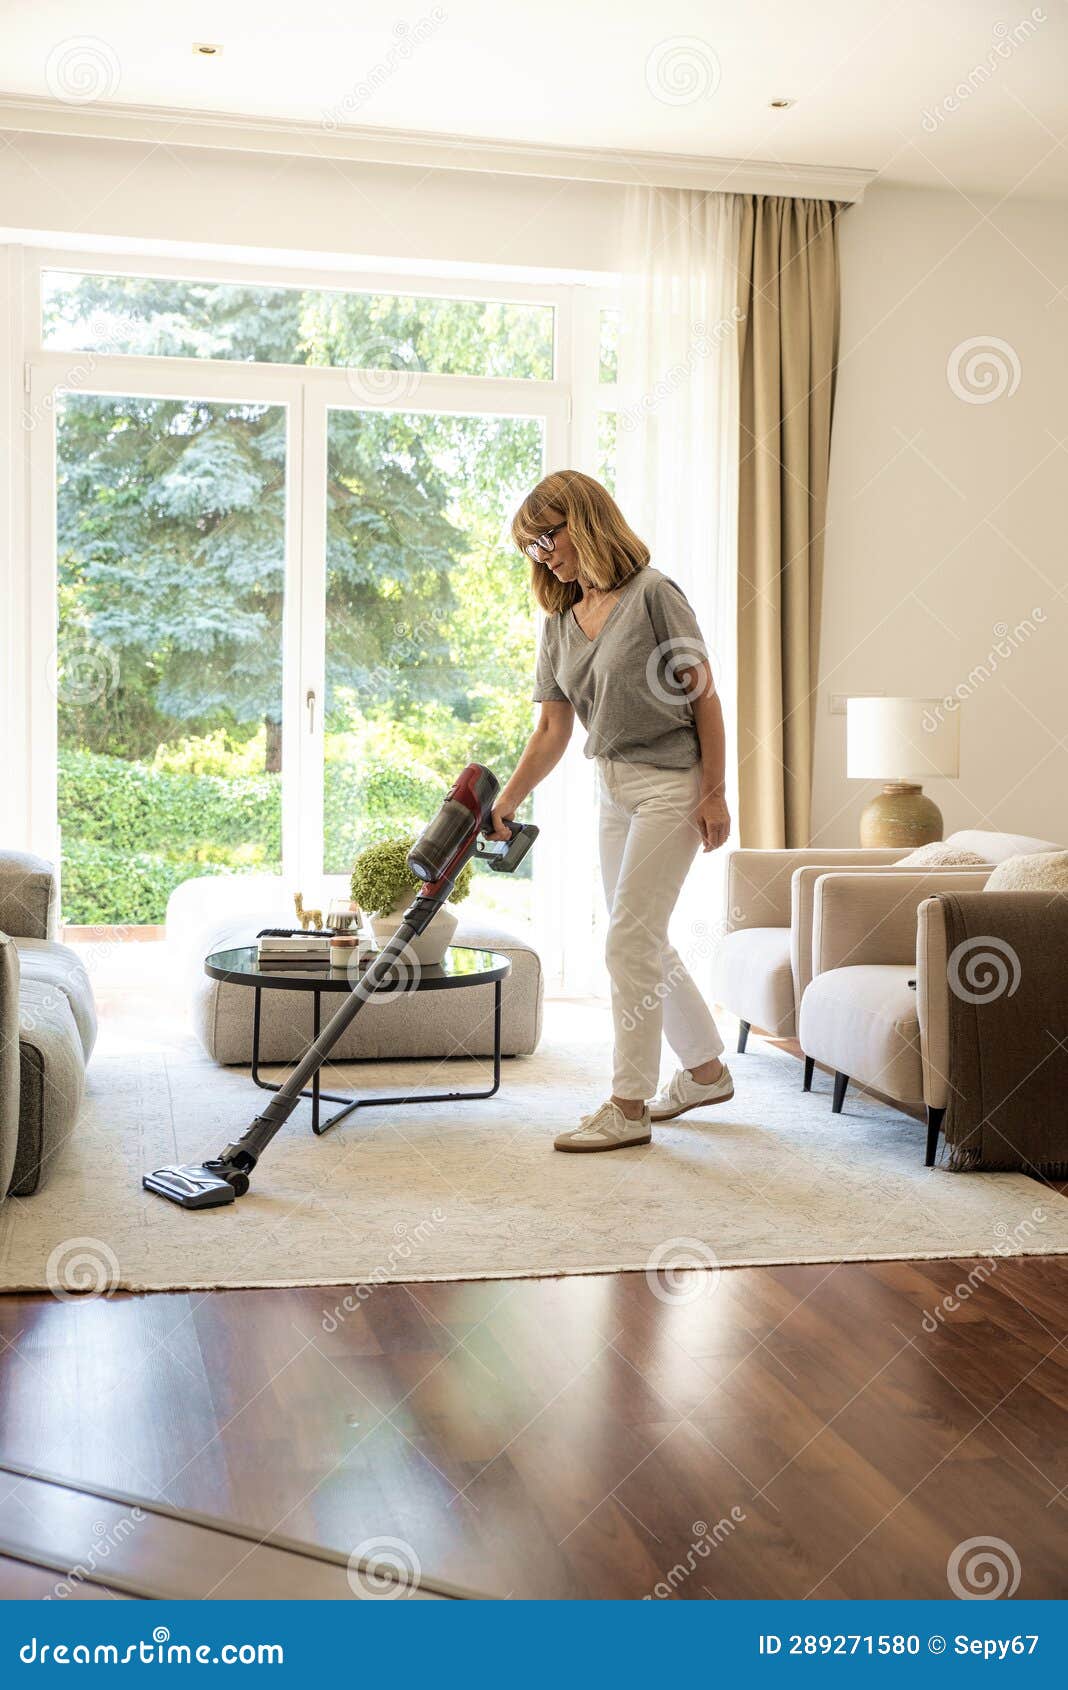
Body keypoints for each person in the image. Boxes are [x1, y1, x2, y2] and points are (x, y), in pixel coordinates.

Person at [487, 469, 732, 1153]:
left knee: (627, 939)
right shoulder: (560, 623)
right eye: (532, 548)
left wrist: (715, 791)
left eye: (548, 536)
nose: (545, 555)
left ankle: (628, 1105)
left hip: (672, 784)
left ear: (585, 520)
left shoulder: (654, 595)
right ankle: (707, 1072)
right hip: (613, 788)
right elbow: (551, 731)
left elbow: (704, 696)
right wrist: (505, 802)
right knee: (643, 937)